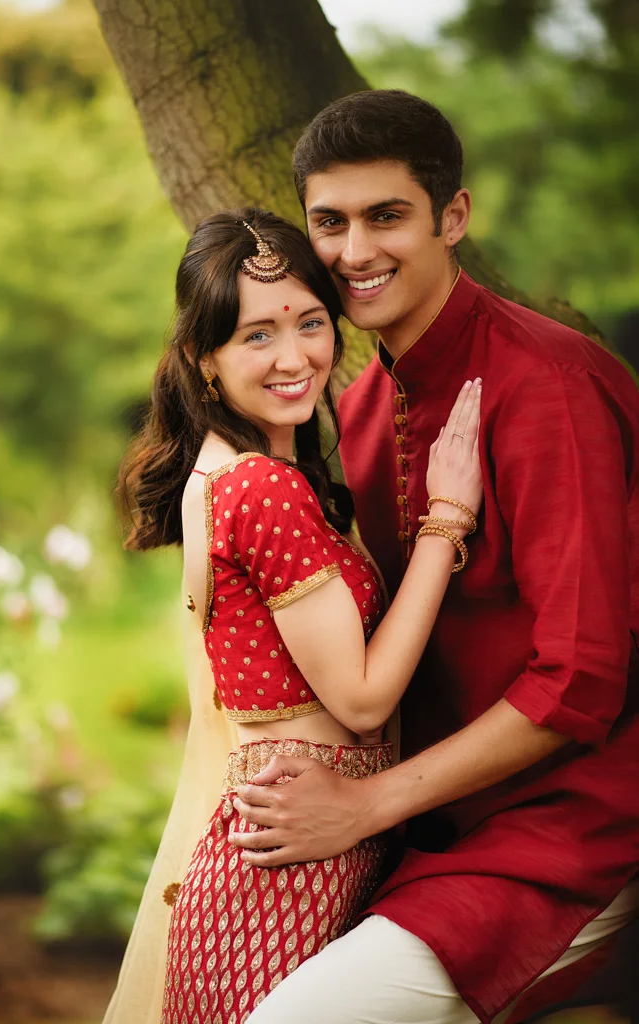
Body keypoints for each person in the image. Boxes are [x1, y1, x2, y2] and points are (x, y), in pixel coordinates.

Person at [230, 90, 639, 1024]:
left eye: (387, 216)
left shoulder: (548, 386)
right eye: (328, 222)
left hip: (570, 830)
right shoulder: (364, 404)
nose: (353, 251)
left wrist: (359, 811)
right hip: (430, 830)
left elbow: (577, 681)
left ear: (452, 217)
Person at [103, 206, 483, 1024]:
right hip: (280, 882)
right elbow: (361, 699)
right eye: (254, 337)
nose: (293, 358)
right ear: (204, 358)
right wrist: (445, 522)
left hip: (285, 859)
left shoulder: (219, 473)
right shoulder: (260, 486)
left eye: (309, 323)